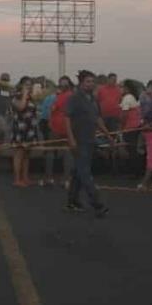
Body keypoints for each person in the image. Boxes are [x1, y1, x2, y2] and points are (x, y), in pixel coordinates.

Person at [65, 70, 110, 217]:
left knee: (79, 173)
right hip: (79, 141)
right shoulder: (75, 98)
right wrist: (71, 139)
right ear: (81, 83)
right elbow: (67, 118)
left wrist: (108, 135)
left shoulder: (92, 99)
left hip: (90, 140)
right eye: (88, 82)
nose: (91, 84)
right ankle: (97, 204)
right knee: (85, 173)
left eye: (92, 82)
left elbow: (97, 118)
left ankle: (72, 202)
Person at [48, 76, 75, 188]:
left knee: (52, 152)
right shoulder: (71, 95)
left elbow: (53, 109)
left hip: (59, 127)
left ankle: (51, 178)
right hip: (63, 127)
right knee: (67, 153)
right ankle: (66, 179)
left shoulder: (63, 96)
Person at [11, 76, 37, 187]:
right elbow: (21, 108)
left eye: (30, 84)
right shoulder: (16, 97)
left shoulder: (30, 98)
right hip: (20, 129)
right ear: (21, 85)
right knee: (19, 154)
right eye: (26, 84)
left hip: (30, 129)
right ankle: (17, 179)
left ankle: (25, 177)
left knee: (27, 154)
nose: (29, 86)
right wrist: (25, 95)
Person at [120, 81, 143, 176]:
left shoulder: (127, 98)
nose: (121, 89)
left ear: (127, 88)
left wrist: (122, 126)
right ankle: (136, 170)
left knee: (131, 149)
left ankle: (134, 172)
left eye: (122, 87)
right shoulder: (133, 97)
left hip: (129, 127)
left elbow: (125, 114)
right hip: (136, 126)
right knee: (133, 149)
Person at [38, 80, 58, 186]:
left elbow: (42, 110)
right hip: (49, 123)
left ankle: (48, 173)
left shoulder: (49, 97)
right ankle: (48, 174)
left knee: (49, 147)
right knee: (51, 148)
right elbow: (48, 112)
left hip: (45, 122)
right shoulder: (53, 98)